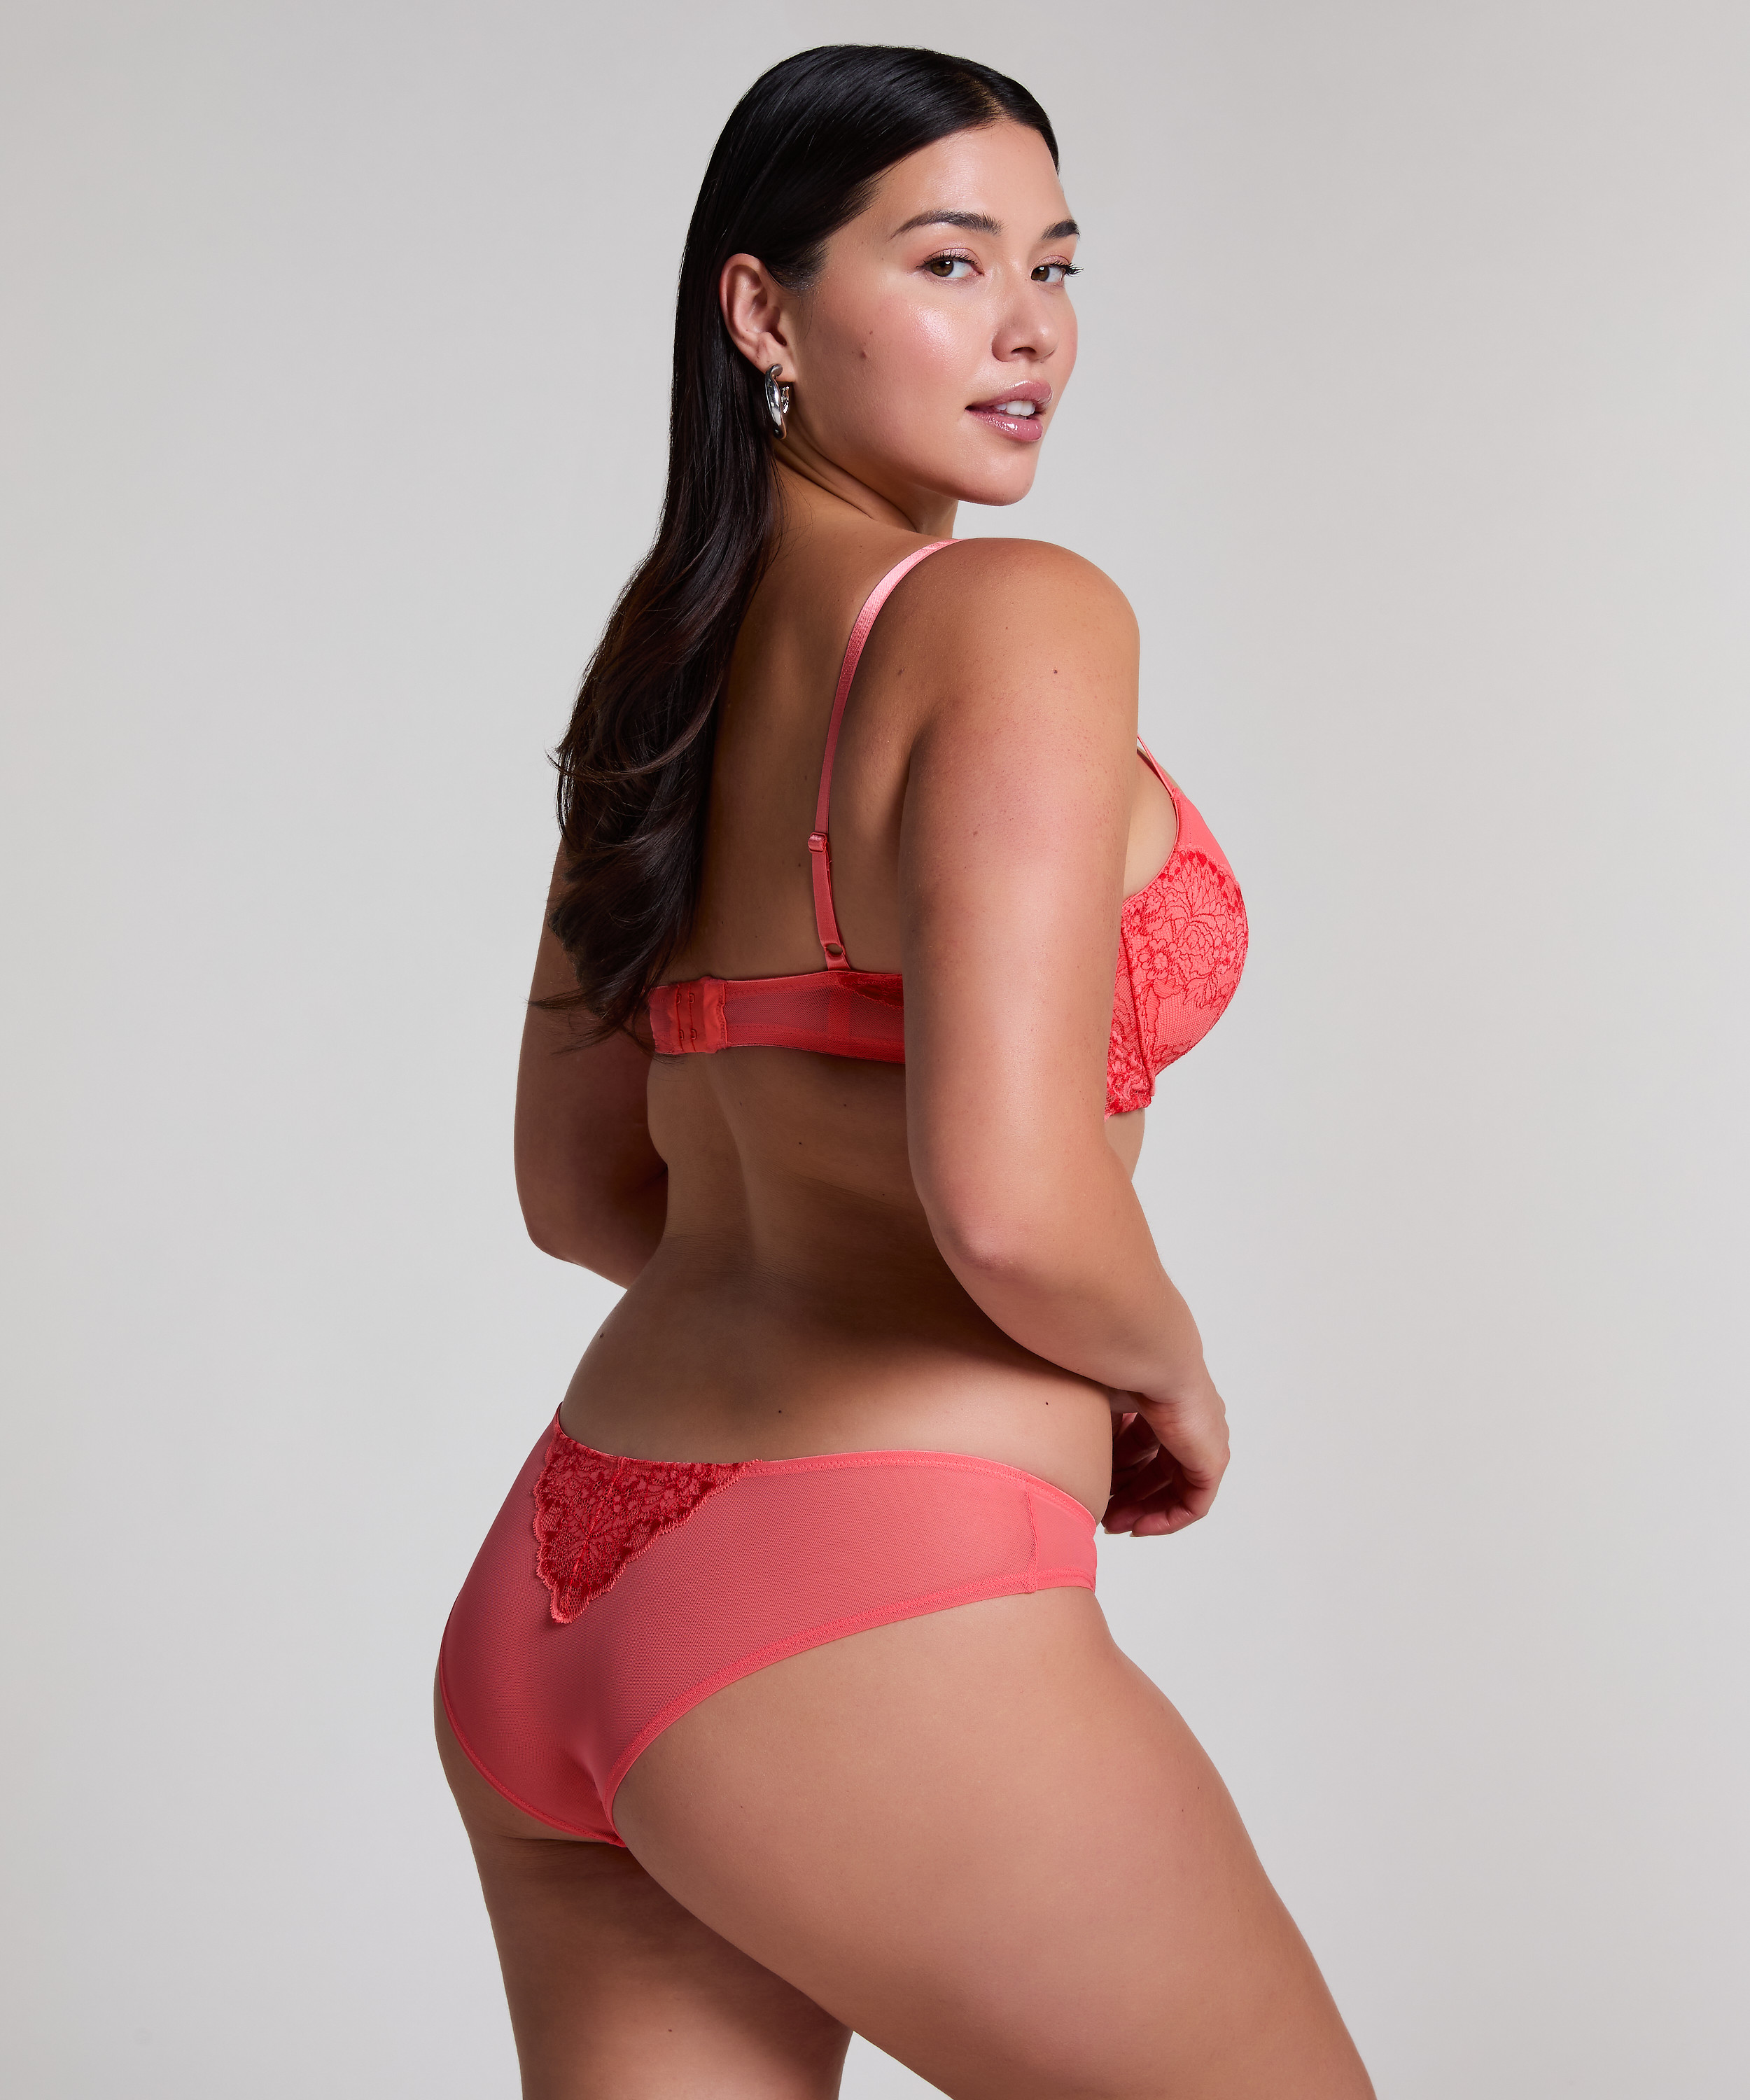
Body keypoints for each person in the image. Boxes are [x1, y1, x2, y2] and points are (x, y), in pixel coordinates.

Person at [436, 43, 1373, 2100]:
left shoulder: (663, 658)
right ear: (763, 312)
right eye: (949, 262)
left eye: (1055, 264)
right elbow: (1012, 1198)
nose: (1028, 327)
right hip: (857, 1608)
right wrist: (1165, 1372)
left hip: (562, 1581)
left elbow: (577, 1188)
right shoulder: (1014, 614)